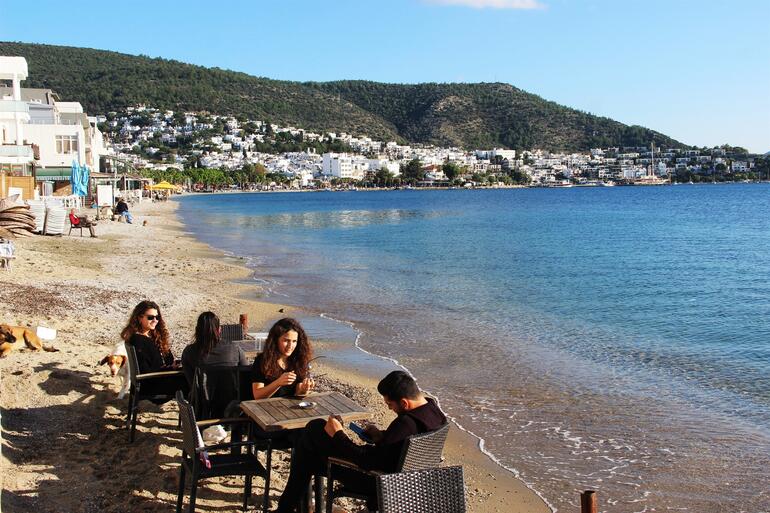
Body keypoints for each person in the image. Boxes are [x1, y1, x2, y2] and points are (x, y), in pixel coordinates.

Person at [274, 370, 448, 513]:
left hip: (378, 481)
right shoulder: (434, 411)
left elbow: (365, 461)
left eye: (390, 405)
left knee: (315, 429)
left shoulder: (405, 423)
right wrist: (382, 436)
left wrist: (338, 434)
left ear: (404, 402)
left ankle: (287, 508)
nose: (390, 409)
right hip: (410, 481)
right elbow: (400, 442)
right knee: (308, 457)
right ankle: (290, 508)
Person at [181, 311, 248, 418]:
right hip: (232, 410)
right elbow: (245, 375)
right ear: (219, 330)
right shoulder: (234, 348)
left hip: (203, 411)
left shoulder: (189, 352)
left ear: (197, 330)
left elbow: (191, 383)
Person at [121, 300, 187, 398]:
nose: (155, 320)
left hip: (159, 378)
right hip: (153, 385)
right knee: (192, 380)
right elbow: (146, 371)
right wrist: (170, 368)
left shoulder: (151, 335)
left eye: (157, 317)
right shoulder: (138, 341)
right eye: (150, 317)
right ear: (139, 318)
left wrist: (173, 365)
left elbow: (166, 359)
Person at [250, 318, 315, 400]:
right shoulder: (262, 360)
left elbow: (298, 393)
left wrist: (304, 389)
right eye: (286, 341)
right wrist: (278, 383)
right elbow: (258, 396)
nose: (290, 346)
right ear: (275, 340)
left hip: (288, 408)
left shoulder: (298, 360)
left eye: (294, 341)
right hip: (265, 409)